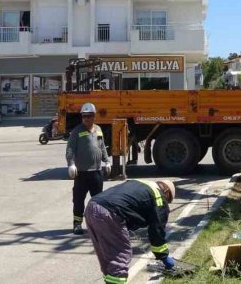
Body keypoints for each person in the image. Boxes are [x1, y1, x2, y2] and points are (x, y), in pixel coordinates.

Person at [86, 179, 178, 283]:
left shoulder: (142, 184)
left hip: (92, 206)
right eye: (168, 200)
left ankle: (111, 281)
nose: (166, 203)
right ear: (166, 192)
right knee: (120, 254)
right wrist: (164, 257)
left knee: (107, 256)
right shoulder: (159, 197)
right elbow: (157, 231)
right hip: (110, 212)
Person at [66, 102, 111, 235]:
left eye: (89, 116)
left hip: (96, 172)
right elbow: (70, 150)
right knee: (78, 200)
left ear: (94, 116)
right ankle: (77, 224)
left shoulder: (98, 130)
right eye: (84, 116)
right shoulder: (76, 132)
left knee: (97, 201)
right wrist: (71, 164)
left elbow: (102, 147)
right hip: (81, 173)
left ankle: (98, 225)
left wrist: (107, 161)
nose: (86, 119)